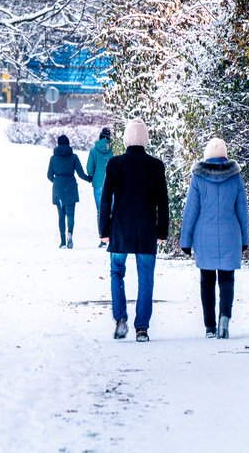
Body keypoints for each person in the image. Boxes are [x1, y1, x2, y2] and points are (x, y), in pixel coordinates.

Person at [99, 118, 169, 342]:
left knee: (117, 272)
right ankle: (142, 328)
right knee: (146, 277)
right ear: (146, 140)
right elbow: (163, 202)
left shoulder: (115, 164)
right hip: (147, 229)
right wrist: (162, 232)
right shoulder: (156, 166)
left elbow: (105, 198)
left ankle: (120, 318)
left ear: (126, 139)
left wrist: (104, 229)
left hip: (120, 228)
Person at [179, 137, 249, 339]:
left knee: (207, 280)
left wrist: (186, 241)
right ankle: (225, 317)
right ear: (224, 156)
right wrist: (244, 239)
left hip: (204, 236)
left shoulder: (198, 178)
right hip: (230, 234)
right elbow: (242, 210)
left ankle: (209, 326)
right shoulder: (235, 178)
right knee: (227, 279)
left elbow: (191, 210)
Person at [47, 134, 92, 249]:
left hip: (58, 187)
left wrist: (56, 181)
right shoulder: (73, 157)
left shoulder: (53, 158)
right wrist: (90, 179)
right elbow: (81, 174)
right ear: (68, 143)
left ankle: (62, 241)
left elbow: (49, 175)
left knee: (61, 215)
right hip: (70, 186)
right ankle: (70, 234)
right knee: (71, 214)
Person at [86, 127, 114, 248]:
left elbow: (89, 168)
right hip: (113, 184)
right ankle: (112, 237)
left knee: (100, 211)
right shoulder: (114, 150)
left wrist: (93, 177)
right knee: (112, 211)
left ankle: (103, 238)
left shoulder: (94, 151)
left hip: (98, 184)